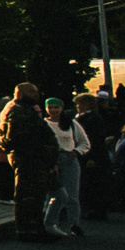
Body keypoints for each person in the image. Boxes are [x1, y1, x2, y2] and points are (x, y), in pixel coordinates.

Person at [0, 81, 57, 243]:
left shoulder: (26, 110)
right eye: (31, 92)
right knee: (27, 197)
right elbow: (16, 139)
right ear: (20, 93)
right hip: (28, 160)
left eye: (36, 92)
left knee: (36, 197)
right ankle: (27, 231)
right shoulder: (16, 111)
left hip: (36, 161)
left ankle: (36, 229)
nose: (35, 95)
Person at [42, 97, 89, 237]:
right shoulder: (43, 124)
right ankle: (50, 221)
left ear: (62, 108)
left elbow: (85, 142)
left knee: (72, 195)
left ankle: (74, 224)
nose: (53, 110)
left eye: (56, 107)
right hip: (51, 159)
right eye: (50, 107)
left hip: (68, 158)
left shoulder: (71, 123)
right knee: (53, 193)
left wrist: (77, 151)